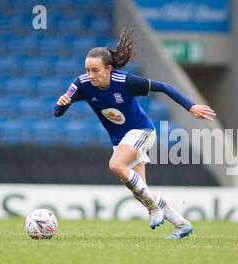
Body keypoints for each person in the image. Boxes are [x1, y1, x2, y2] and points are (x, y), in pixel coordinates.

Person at [55, 29, 216, 239]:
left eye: (95, 70)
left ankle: (154, 209)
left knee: (115, 165)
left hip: (142, 131)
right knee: (141, 192)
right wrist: (63, 104)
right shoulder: (82, 84)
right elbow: (57, 112)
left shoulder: (125, 81)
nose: (90, 75)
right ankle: (182, 225)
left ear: (109, 69)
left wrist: (191, 106)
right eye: (87, 70)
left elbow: (164, 86)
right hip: (120, 140)